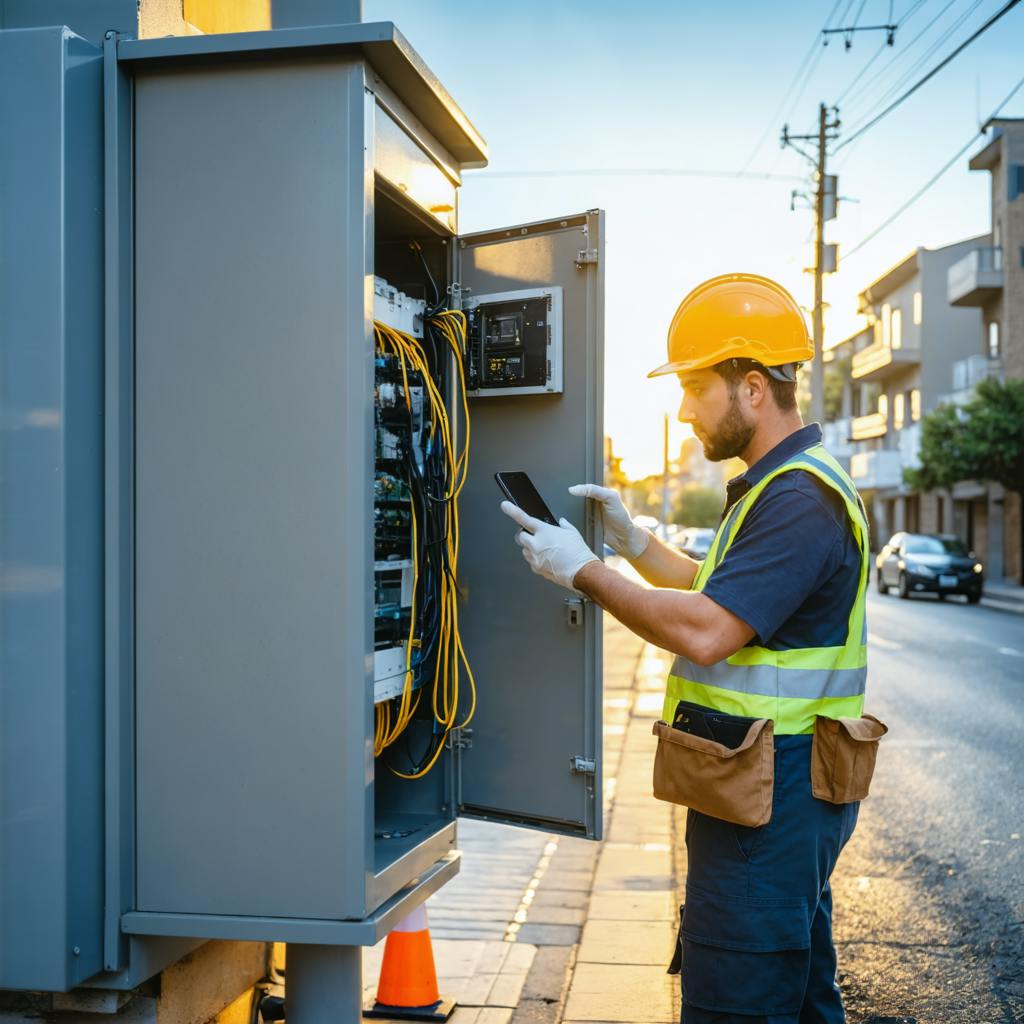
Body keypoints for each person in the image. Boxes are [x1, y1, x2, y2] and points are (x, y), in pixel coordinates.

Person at [500, 273, 876, 1024]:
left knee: (739, 997)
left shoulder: (798, 497)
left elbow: (707, 628)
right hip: (774, 789)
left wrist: (583, 572)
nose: (683, 408)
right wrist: (633, 541)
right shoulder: (779, 483)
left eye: (695, 388)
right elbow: (718, 588)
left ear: (752, 387)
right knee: (800, 1000)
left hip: (772, 799)